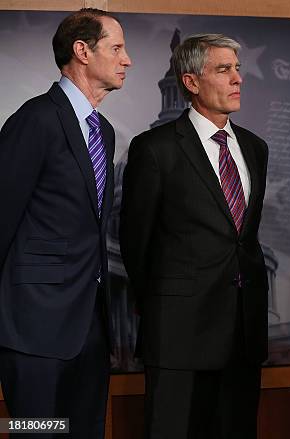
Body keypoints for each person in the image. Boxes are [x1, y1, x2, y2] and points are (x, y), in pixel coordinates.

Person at [120, 33, 268, 439]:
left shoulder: (256, 148)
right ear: (190, 82)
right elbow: (136, 243)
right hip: (178, 335)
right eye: (224, 69)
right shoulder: (154, 149)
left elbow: (244, 238)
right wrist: (166, 306)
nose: (237, 78)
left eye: (238, 68)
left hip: (242, 333)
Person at [0, 8, 131, 438]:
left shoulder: (105, 131)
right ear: (82, 51)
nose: (126, 59)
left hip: (90, 329)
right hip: (34, 330)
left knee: (83, 431)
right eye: (116, 48)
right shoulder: (34, 120)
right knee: (38, 433)